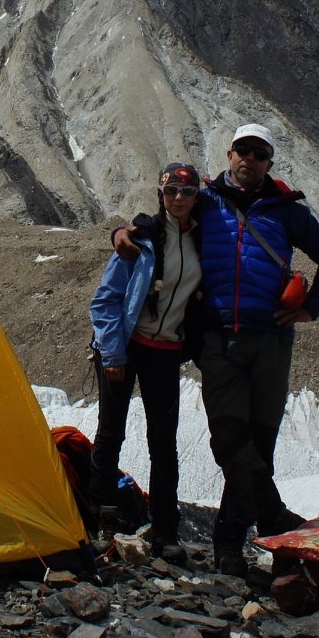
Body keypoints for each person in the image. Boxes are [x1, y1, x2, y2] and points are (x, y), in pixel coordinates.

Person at [113, 123, 319, 577]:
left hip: (272, 340)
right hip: (218, 339)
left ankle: (229, 545)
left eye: (259, 154)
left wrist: (311, 308)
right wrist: (122, 232)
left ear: (269, 163)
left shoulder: (287, 211)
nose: (249, 159)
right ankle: (273, 517)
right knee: (229, 439)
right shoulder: (205, 201)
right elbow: (164, 220)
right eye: (243, 150)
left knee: (259, 443)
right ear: (229, 154)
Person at [87, 161, 205, 563]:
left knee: (163, 442)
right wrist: (113, 352)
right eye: (171, 191)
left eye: (187, 192)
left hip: (166, 350)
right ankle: (101, 519)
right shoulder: (141, 239)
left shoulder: (203, 241)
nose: (179, 198)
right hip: (127, 345)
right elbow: (105, 300)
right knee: (111, 432)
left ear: (197, 197)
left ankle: (165, 530)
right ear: (160, 193)